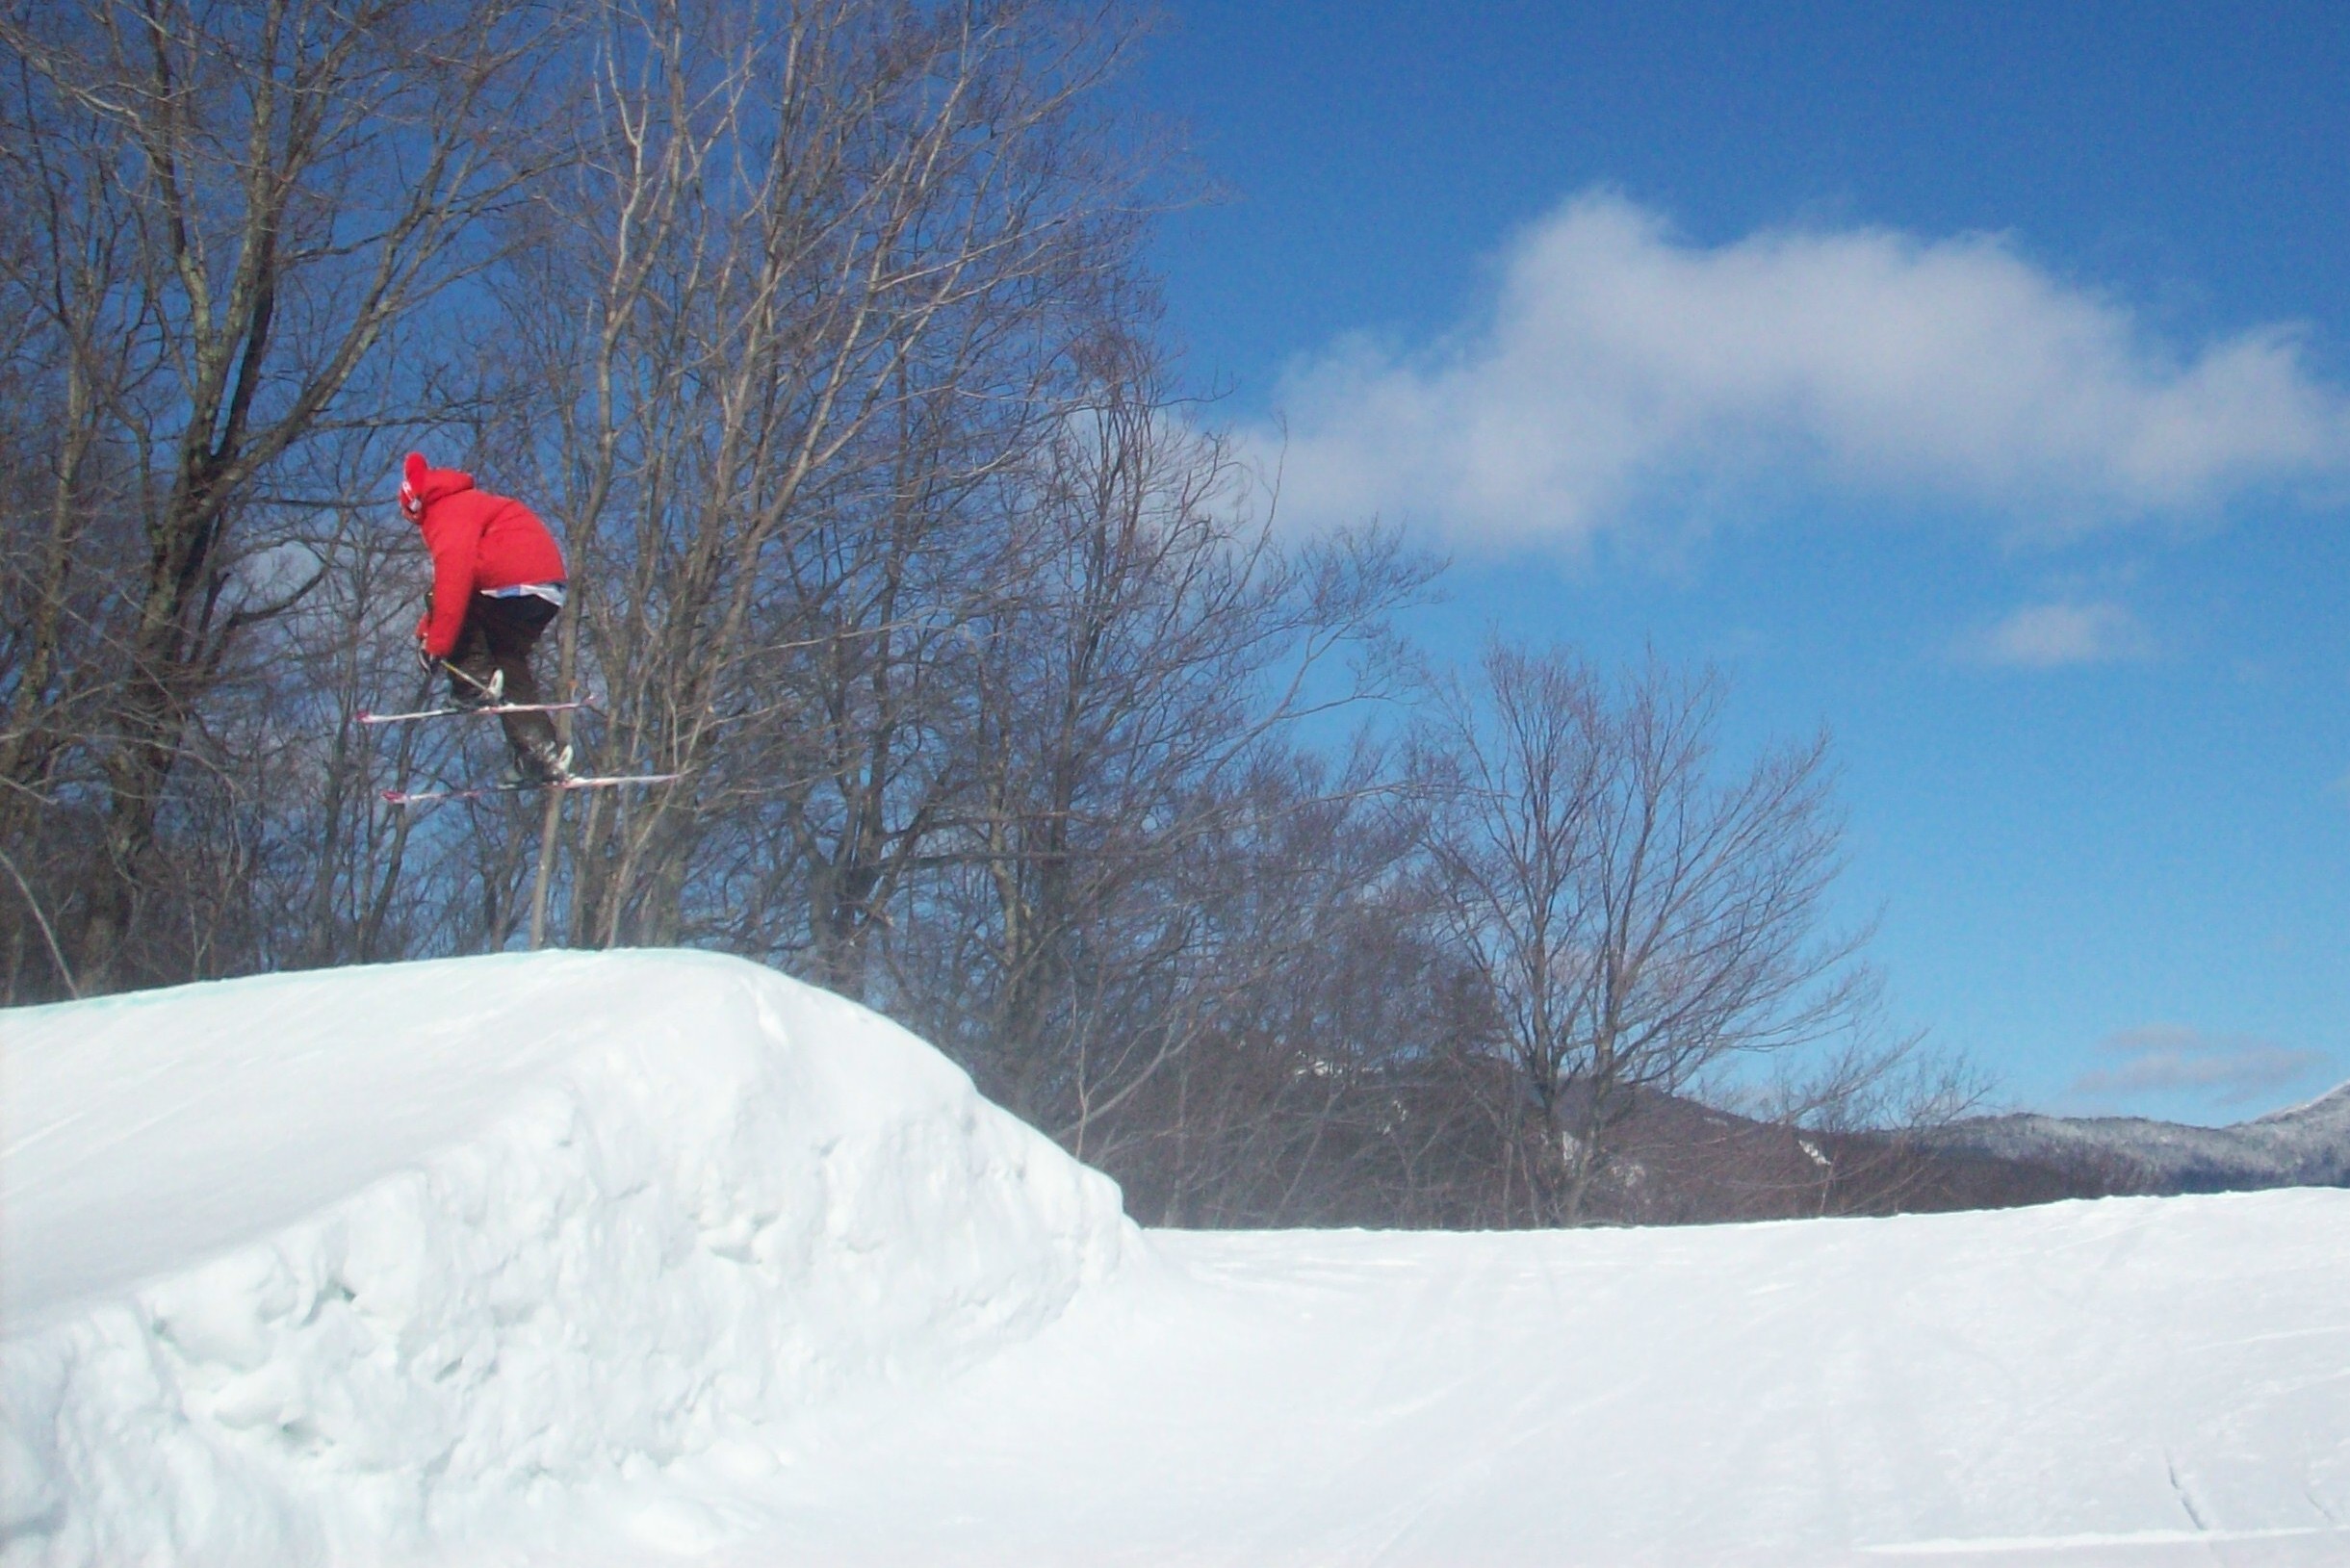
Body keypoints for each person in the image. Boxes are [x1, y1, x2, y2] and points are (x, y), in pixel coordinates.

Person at [398, 451, 573, 784]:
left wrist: (436, 646)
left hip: (511, 581)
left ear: (415, 504)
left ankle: (472, 681)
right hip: (544, 591)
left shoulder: (446, 511)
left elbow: (453, 581)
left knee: (447, 600)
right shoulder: (472, 502)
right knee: (506, 660)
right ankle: (539, 754)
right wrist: (427, 629)